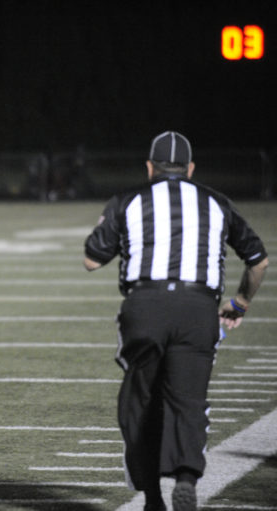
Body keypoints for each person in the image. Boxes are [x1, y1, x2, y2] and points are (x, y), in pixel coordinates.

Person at [83, 131, 268, 511]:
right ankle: (186, 476)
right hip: (198, 306)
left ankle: (152, 496)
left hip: (146, 305)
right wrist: (241, 302)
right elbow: (258, 260)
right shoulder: (215, 202)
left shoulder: (130, 200)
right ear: (191, 169)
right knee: (188, 400)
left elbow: (91, 259)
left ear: (149, 168)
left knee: (139, 401)